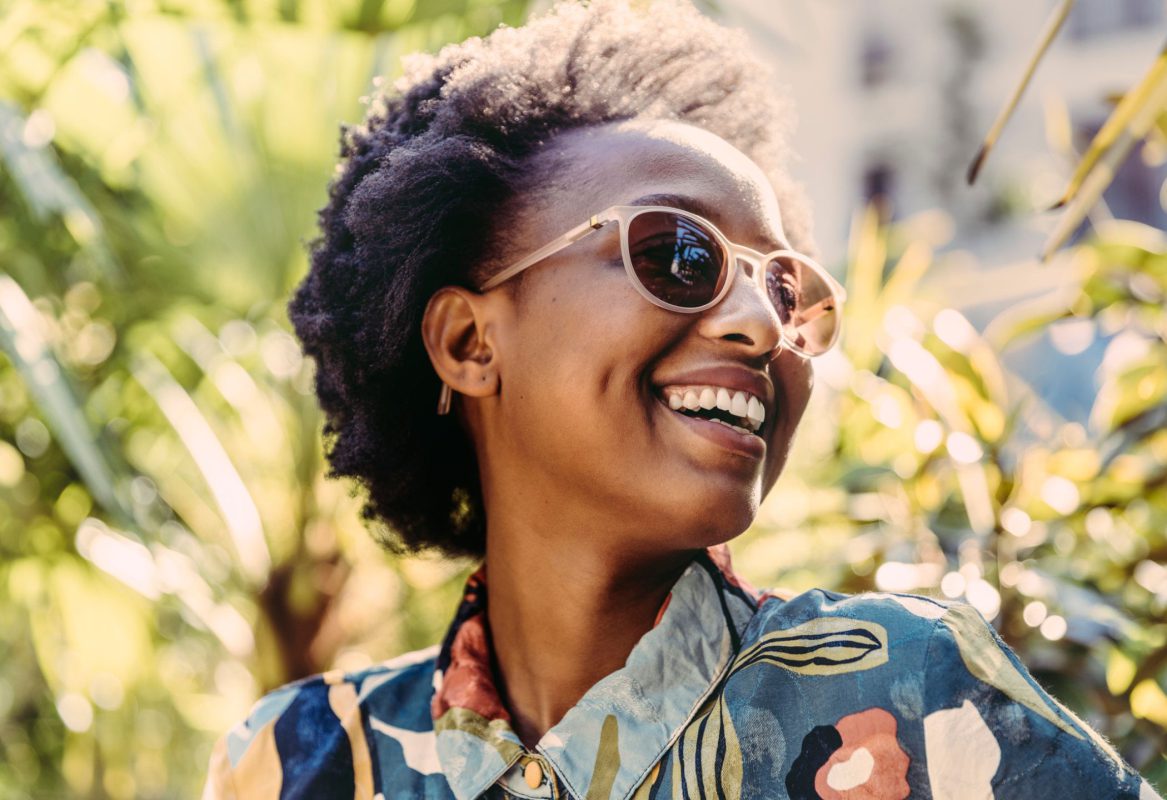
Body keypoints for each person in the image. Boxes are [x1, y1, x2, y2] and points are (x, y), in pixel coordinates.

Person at [202, 1, 1163, 798]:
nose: (759, 324)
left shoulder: (914, 692)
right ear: (469, 343)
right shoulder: (299, 760)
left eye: (784, 289)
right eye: (678, 254)